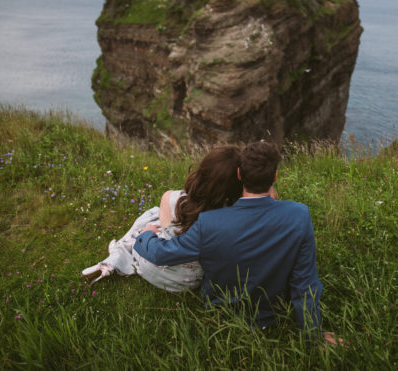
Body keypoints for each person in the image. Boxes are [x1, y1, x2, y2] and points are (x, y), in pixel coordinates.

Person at [133, 141, 324, 339]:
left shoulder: (209, 222)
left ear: (240, 175)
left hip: (219, 317)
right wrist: (313, 335)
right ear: (275, 176)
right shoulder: (299, 216)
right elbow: (305, 282)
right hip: (271, 315)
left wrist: (145, 234)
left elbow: (161, 254)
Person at [81, 145, 243, 292]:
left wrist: (148, 233)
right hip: (188, 281)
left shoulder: (172, 198)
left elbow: (165, 229)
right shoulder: (234, 216)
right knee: (162, 221)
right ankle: (119, 255)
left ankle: (118, 254)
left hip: (152, 265)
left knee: (152, 217)